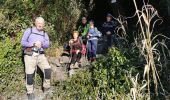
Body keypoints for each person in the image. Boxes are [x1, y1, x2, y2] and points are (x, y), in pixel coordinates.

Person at [21, 17, 51, 100]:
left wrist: (41, 44)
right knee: (29, 74)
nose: (40, 24)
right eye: (38, 22)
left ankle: (46, 87)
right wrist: (33, 43)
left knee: (48, 69)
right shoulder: (29, 30)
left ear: (44, 25)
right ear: (35, 23)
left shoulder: (45, 33)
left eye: (42, 23)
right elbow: (22, 42)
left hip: (41, 55)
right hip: (30, 54)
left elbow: (47, 44)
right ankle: (30, 92)